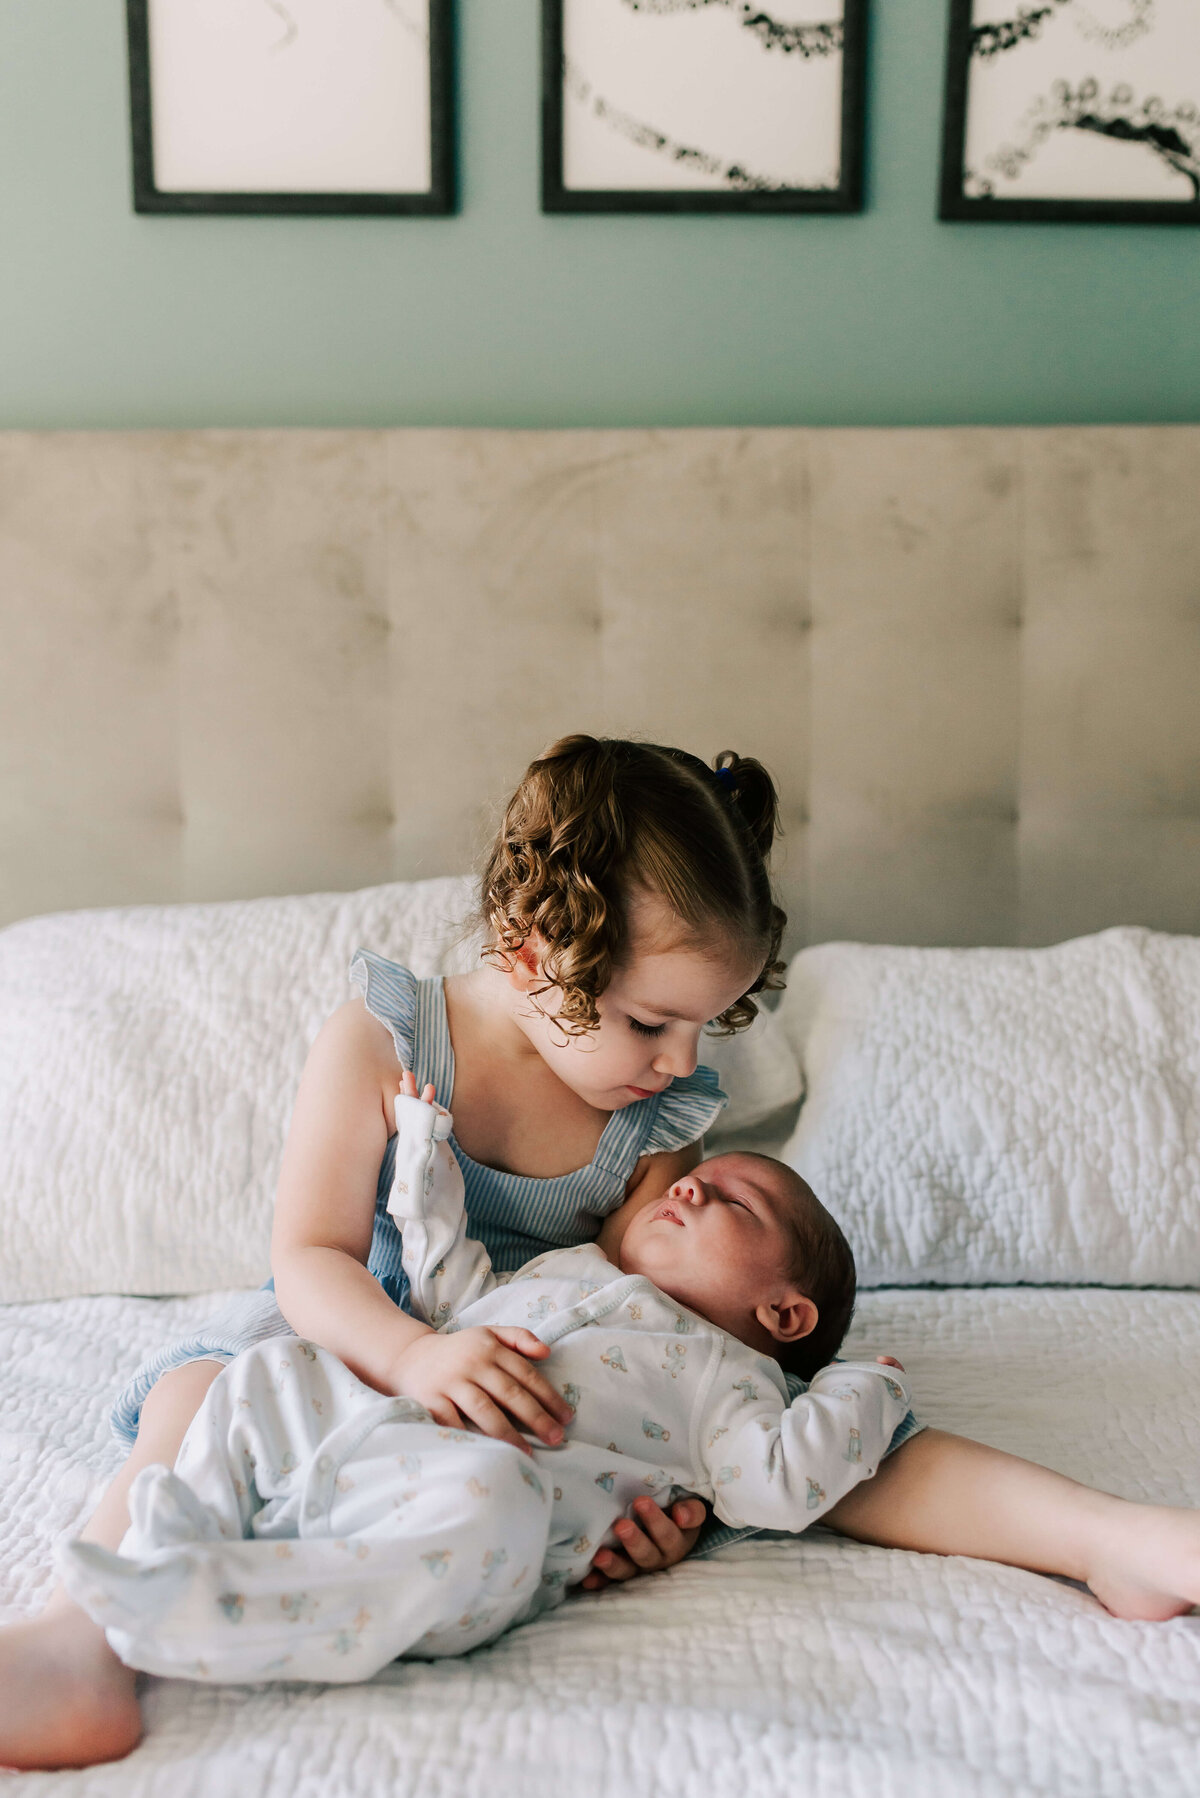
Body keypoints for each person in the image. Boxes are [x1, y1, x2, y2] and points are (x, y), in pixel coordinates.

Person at [0, 735, 790, 1767]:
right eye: (652, 1021)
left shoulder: (655, 1120)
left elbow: (649, 1336)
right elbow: (310, 1255)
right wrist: (412, 1355)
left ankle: (279, 1597)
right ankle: (81, 1637)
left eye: (706, 1024)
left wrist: (659, 1503)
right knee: (193, 1398)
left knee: (494, 1503)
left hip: (509, 1379)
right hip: (356, 1329)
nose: (683, 1061)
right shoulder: (387, 1040)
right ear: (532, 948)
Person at [61, 1082, 913, 1682]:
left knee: (493, 1486)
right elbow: (449, 1289)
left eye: (736, 1201)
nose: (692, 1179)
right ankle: (184, 1532)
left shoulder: (733, 1386)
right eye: (704, 1174)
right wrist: (427, 1159)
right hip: (372, 1431)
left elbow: (780, 1484)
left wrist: (862, 1390)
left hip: (466, 1523)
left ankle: (235, 1609)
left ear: (785, 1316)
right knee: (272, 1366)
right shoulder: (575, 1268)